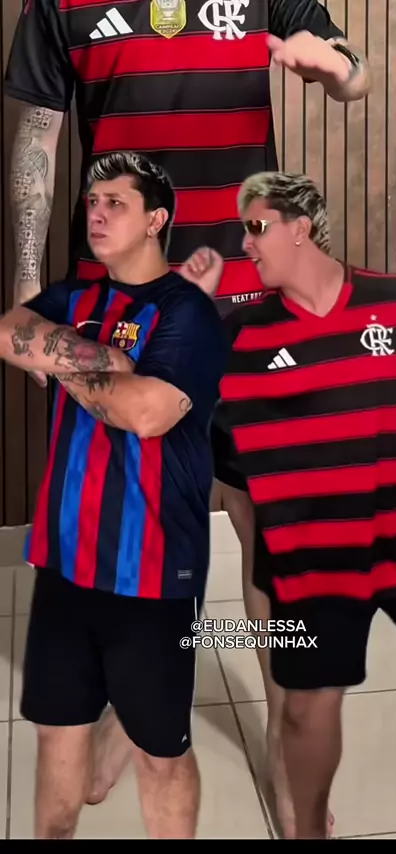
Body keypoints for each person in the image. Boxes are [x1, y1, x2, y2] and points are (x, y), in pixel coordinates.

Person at [4, 0, 370, 827]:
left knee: (273, 535)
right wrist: (28, 291)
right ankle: (126, 714)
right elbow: (37, 143)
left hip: (250, 309)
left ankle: (284, 755)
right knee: (136, 531)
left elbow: (353, 71)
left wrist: (339, 70)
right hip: (120, 317)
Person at [201, 170, 396, 840]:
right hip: (313, 560)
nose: (245, 244)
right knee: (306, 712)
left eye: (257, 228)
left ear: (301, 229)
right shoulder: (240, 335)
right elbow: (177, 414)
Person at [0, 151, 228, 839]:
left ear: (156, 220)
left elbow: (147, 413)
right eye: (92, 203)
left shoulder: (189, 313)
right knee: (56, 736)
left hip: (153, 574)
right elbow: (9, 332)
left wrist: (60, 357)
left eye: (115, 204)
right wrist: (109, 361)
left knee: (160, 754)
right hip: (64, 562)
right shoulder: (73, 298)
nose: (96, 214)